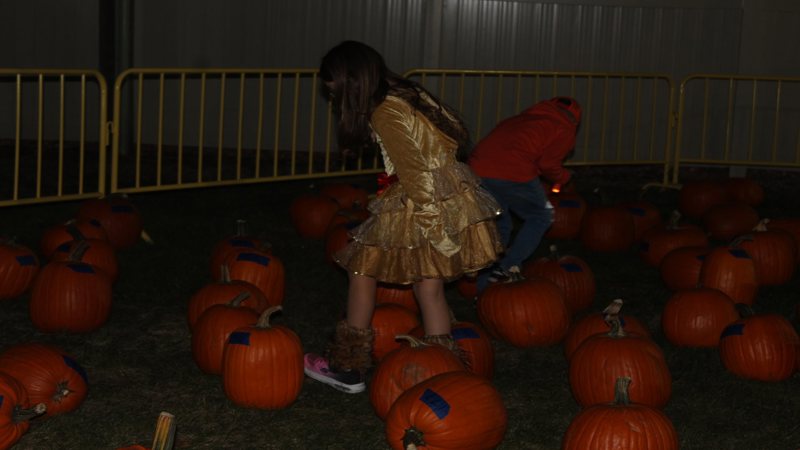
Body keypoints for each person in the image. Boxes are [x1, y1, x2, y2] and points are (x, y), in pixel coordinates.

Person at [303, 40, 503, 394]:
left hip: (422, 201)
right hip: (449, 193)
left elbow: (415, 175)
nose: (334, 100)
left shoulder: (384, 112)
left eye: (335, 92)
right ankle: (445, 373)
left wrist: (438, 231)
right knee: (429, 288)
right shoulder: (408, 93)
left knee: (361, 271)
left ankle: (347, 367)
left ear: (352, 84)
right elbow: (452, 135)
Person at [468, 96, 581, 294]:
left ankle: (484, 285)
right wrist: (564, 177)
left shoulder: (520, 120)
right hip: (513, 171)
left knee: (500, 224)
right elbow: (548, 164)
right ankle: (507, 267)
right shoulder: (564, 129)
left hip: (478, 169)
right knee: (542, 216)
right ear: (575, 119)